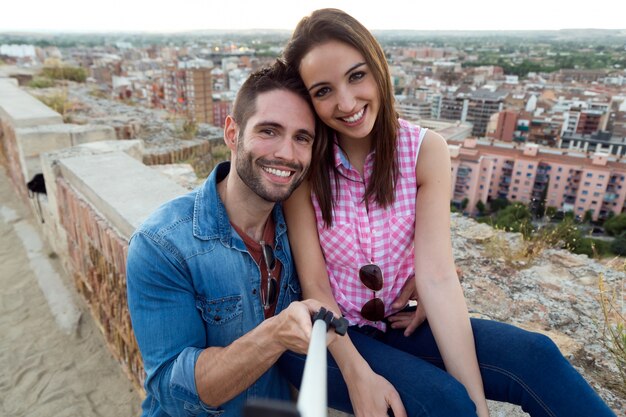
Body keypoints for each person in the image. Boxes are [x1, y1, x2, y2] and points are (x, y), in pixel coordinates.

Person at [278, 8, 616, 417]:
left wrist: (480, 407)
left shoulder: (424, 151)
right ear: (308, 99)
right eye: (323, 91)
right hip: (331, 338)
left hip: (399, 324)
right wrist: (357, 373)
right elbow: (316, 285)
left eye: (356, 76)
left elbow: (437, 276)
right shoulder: (308, 165)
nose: (347, 103)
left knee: (536, 356)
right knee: (445, 404)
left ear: (379, 69)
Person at [126, 61, 335, 417]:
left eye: (302, 138)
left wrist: (412, 282)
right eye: (269, 131)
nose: (286, 153)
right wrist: (273, 335)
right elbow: (174, 393)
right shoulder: (163, 244)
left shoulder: (303, 229)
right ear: (231, 132)